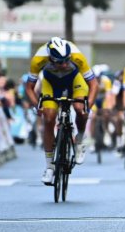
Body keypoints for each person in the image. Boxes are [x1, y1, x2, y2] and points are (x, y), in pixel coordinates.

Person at [25, 37, 98, 184]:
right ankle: (49, 166)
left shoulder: (77, 56)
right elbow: (29, 88)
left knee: (79, 108)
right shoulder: (38, 59)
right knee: (49, 117)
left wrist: (87, 106)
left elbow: (94, 84)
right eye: (60, 62)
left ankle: (80, 139)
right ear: (50, 59)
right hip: (50, 82)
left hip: (74, 80)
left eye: (67, 60)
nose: (64, 64)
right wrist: (36, 106)